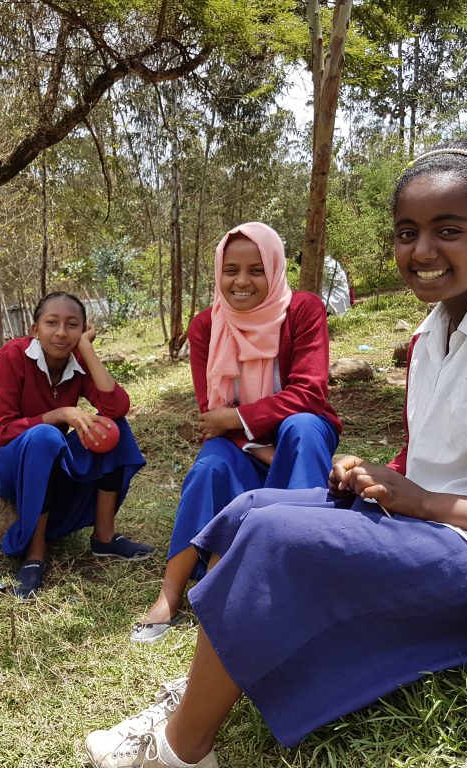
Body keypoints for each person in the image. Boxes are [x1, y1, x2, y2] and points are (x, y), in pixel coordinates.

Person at [85, 139, 467, 767]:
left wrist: (423, 499)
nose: (422, 251)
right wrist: (385, 476)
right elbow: (447, 456)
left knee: (275, 537)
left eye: (448, 230)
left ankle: (181, 750)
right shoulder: (435, 329)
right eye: (407, 232)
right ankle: (197, 692)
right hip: (444, 525)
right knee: (249, 509)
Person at [132, 221, 342, 643]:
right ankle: (171, 594)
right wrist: (251, 442)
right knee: (209, 467)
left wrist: (241, 419)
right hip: (235, 442)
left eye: (256, 269)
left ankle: (301, 571)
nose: (242, 282)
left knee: (301, 428)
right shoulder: (206, 326)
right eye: (231, 270)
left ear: (275, 268)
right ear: (218, 273)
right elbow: (214, 417)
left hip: (298, 434)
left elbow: (310, 393)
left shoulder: (302, 309)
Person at [0, 291, 150, 599]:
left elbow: (118, 406)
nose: (61, 332)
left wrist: (86, 350)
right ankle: (34, 554)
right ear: (35, 330)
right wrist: (57, 414)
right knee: (46, 435)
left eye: (72, 325)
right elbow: (0, 431)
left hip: (48, 457)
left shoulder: (78, 360)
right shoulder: (12, 357)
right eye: (51, 322)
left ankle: (105, 537)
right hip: (1, 461)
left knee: (112, 428)